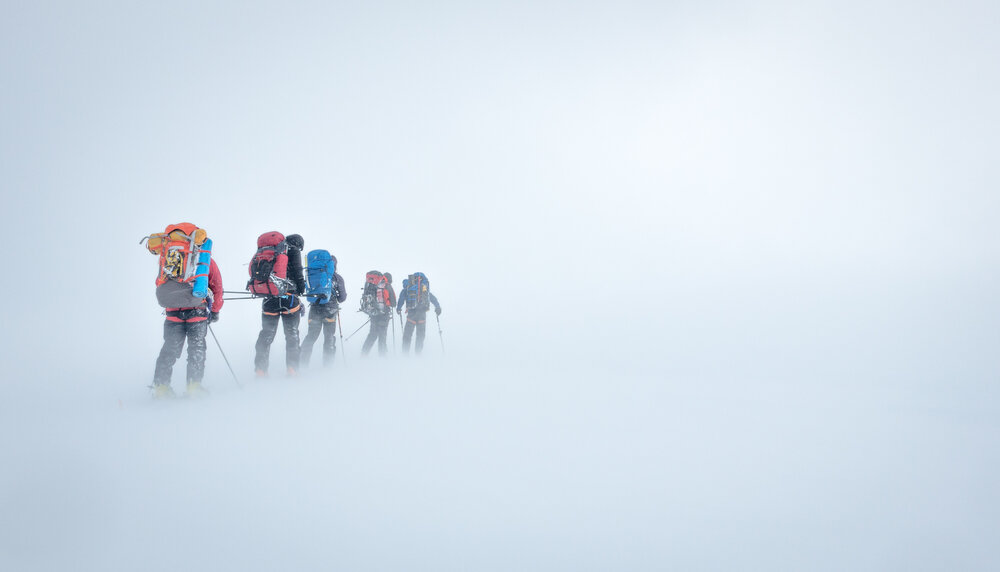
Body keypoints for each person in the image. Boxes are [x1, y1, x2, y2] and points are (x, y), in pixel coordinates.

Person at [146, 223, 224, 399]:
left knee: (169, 349)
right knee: (196, 348)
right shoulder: (203, 259)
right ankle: (194, 386)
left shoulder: (167, 257)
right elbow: (217, 286)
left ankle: (161, 387)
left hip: (172, 311)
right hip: (196, 311)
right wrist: (216, 310)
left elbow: (160, 282)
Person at [253, 233, 306, 376]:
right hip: (289, 299)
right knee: (292, 334)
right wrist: (301, 289)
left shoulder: (272, 251)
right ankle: (292, 368)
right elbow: (298, 271)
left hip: (270, 298)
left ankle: (260, 369)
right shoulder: (293, 250)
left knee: (266, 334)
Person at [300, 251, 347, 367]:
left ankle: (300, 364)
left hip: (315, 308)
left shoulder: (311, 274)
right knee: (329, 337)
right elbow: (342, 298)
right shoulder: (337, 278)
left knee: (311, 337)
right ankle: (327, 367)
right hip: (330, 310)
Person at [396, 272, 441, 355]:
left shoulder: (409, 287)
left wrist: (398, 308)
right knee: (420, 336)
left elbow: (401, 297)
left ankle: (405, 354)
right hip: (422, 314)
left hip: (411, 314)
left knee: (407, 335)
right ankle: (418, 354)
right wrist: (437, 307)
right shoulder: (424, 287)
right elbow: (431, 297)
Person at [361, 271, 397, 356]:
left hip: (374, 314)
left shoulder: (373, 285)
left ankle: (363, 354)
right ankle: (382, 358)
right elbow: (394, 303)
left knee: (372, 335)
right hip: (384, 315)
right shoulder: (387, 286)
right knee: (382, 336)